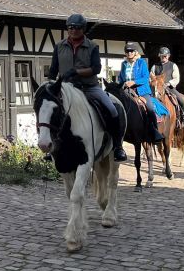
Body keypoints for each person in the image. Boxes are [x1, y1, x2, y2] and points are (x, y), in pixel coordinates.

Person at [48, 13, 128, 162]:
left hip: (89, 87)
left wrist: (77, 72)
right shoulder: (59, 47)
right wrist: (50, 86)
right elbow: (53, 70)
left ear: (83, 29)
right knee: (49, 110)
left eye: (77, 28)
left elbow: (96, 68)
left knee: (112, 110)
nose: (73, 30)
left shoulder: (92, 46)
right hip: (66, 88)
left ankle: (117, 147)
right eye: (70, 27)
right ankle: (51, 147)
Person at [118, 42, 165, 143]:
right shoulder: (124, 64)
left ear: (135, 52)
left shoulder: (141, 62)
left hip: (142, 91)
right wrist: (122, 83)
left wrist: (134, 82)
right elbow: (120, 78)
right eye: (127, 51)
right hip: (127, 91)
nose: (129, 53)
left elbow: (145, 78)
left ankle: (155, 132)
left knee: (150, 108)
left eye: (131, 51)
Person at [151, 46, 184, 129]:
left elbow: (176, 78)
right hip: (157, 89)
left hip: (170, 88)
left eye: (165, 56)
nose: (164, 57)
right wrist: (154, 83)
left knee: (183, 101)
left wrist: (169, 83)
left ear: (168, 56)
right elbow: (151, 77)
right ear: (159, 56)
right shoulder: (154, 66)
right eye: (162, 56)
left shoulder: (173, 65)